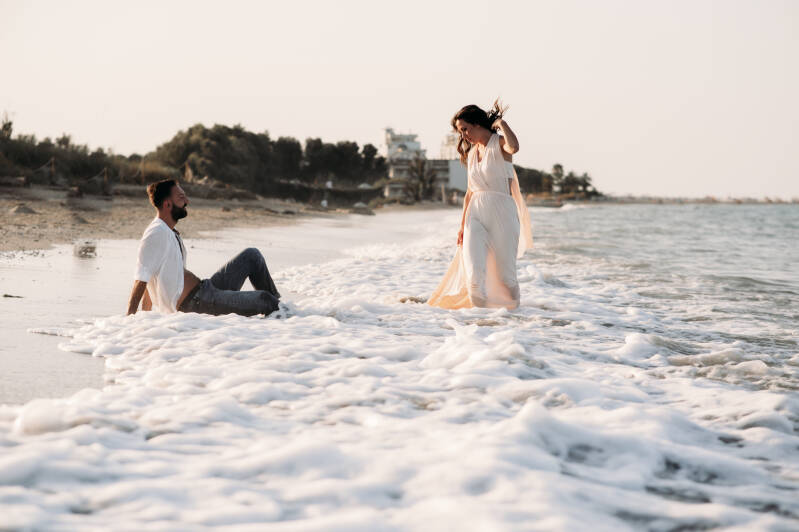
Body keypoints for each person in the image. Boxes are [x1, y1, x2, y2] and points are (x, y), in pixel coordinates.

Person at [428, 100, 533, 310]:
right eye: (460, 132)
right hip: (475, 215)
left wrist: (501, 124)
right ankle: (480, 320)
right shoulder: (471, 153)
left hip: (502, 213)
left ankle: (514, 315)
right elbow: (470, 192)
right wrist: (462, 226)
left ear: (477, 124)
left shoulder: (499, 144)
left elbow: (514, 147)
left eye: (464, 129)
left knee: (506, 277)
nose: (463, 135)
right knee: (474, 274)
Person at [126, 179, 281, 317]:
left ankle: (282, 311)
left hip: (205, 290)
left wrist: (146, 316)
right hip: (196, 305)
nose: (187, 201)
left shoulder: (169, 231)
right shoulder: (156, 232)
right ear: (167, 204)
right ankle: (284, 314)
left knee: (252, 255)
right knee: (264, 300)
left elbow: (151, 276)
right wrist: (130, 321)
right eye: (181, 197)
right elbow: (141, 279)